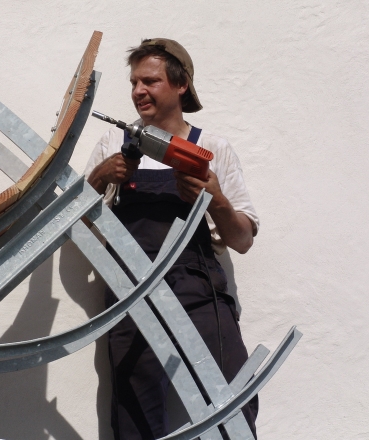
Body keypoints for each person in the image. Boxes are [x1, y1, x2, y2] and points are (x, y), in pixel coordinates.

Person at [84, 38, 260, 439]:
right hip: (131, 295)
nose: (138, 91)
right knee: (135, 417)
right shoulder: (113, 144)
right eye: (134, 82)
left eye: (150, 81)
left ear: (181, 85)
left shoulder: (212, 148)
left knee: (234, 400)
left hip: (199, 293)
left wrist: (215, 199)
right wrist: (99, 178)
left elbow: (243, 240)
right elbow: (74, 225)